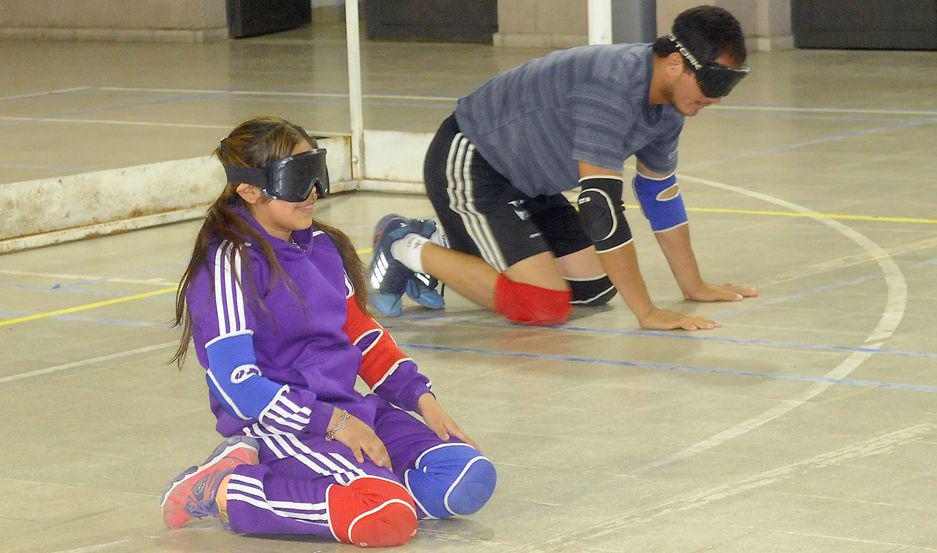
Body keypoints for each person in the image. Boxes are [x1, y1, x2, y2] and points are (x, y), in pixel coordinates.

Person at [161, 116, 496, 548]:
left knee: (466, 479)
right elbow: (237, 385)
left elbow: (362, 336)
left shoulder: (320, 246)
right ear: (249, 190)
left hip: (351, 409)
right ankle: (228, 489)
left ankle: (365, 484)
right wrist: (333, 422)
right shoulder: (229, 262)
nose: (313, 191)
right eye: (297, 179)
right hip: (289, 426)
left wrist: (422, 399)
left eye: (316, 173)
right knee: (386, 519)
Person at [368, 6, 757, 329]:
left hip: (530, 184)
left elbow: (659, 193)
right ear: (675, 64)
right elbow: (600, 208)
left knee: (593, 291)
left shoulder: (669, 107)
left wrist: (694, 286)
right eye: (714, 82)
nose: (717, 98)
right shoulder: (613, 87)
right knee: (544, 304)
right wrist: (648, 312)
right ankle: (404, 243)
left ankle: (459, 247)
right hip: (474, 163)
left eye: (729, 85)